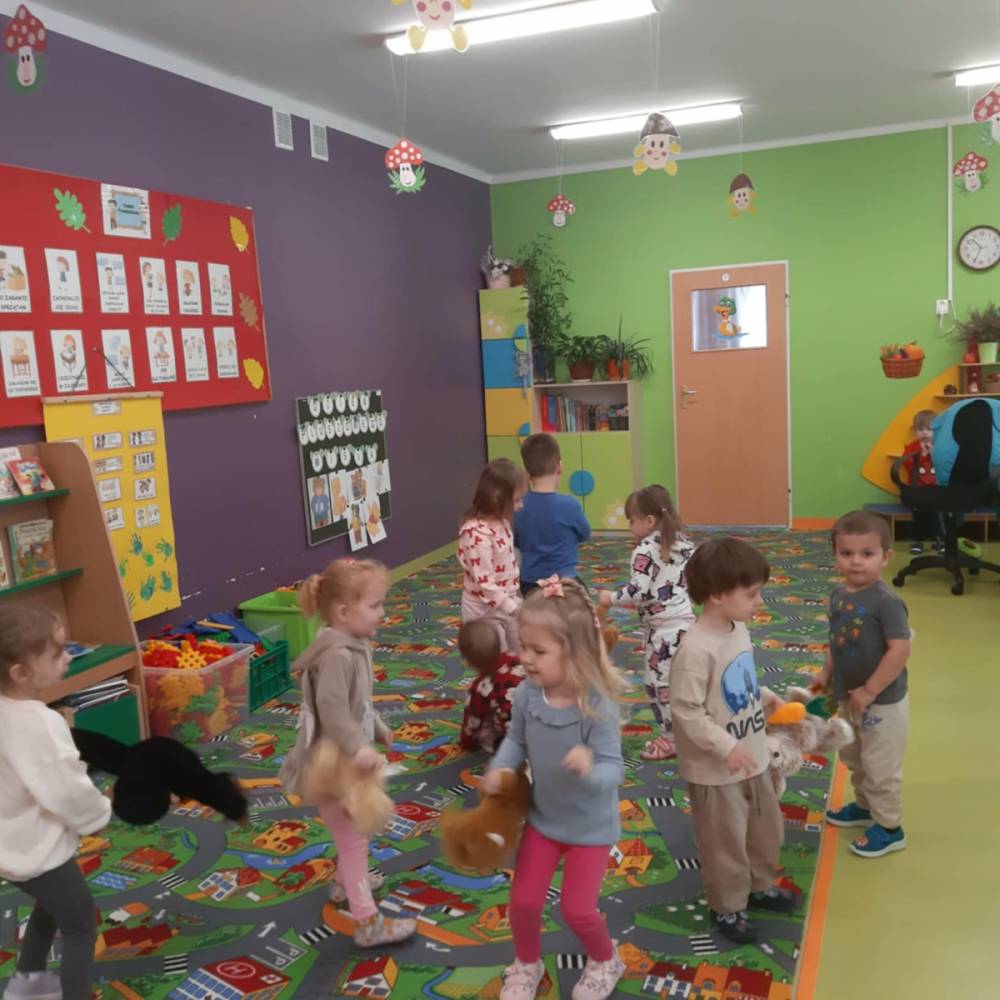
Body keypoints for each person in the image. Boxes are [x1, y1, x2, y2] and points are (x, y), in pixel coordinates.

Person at [483, 578, 626, 1000]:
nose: (525, 658)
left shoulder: (596, 704)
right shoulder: (528, 695)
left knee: (577, 909)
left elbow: (615, 771)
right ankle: (527, 963)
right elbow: (516, 741)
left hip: (590, 828)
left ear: (575, 652)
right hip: (544, 820)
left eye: (539, 651)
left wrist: (589, 768)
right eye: (523, 647)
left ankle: (606, 959)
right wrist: (501, 768)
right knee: (523, 902)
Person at [278, 559, 416, 947]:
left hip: (340, 757)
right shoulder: (338, 655)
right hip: (332, 765)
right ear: (343, 611)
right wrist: (358, 748)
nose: (382, 613)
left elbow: (357, 704)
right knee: (354, 839)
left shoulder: (352, 644)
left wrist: (377, 727)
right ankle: (367, 922)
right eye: (374, 605)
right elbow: (334, 709)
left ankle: (342, 884)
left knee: (350, 834)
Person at [670, 537, 796, 944]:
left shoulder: (737, 628)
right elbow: (687, 712)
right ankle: (728, 906)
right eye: (751, 593)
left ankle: (759, 885)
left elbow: (738, 681)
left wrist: (763, 695)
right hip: (716, 769)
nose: (759, 601)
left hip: (752, 755)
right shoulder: (695, 651)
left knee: (764, 828)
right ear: (718, 595)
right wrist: (726, 746)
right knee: (724, 842)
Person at [0, 606, 111, 1000]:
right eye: (57, 652)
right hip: (38, 852)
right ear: (21, 673)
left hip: (11, 845)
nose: (68, 657)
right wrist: (100, 814)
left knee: (49, 910)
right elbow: (67, 790)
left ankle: (28, 986)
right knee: (80, 923)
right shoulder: (40, 724)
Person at [814, 510, 910, 858]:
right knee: (854, 755)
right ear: (836, 555)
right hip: (848, 695)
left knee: (880, 764)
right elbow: (837, 640)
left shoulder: (887, 602)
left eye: (867, 554)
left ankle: (890, 828)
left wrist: (870, 691)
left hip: (882, 701)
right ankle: (867, 806)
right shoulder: (839, 595)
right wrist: (826, 672)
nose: (856, 561)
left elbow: (900, 650)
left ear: (885, 557)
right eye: (847, 553)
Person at [598, 485, 695, 761]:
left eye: (632, 520)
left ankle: (670, 739)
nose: (629, 527)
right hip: (687, 624)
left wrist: (609, 597)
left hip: (662, 632)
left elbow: (637, 591)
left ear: (649, 520)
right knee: (685, 681)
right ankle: (691, 730)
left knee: (657, 685)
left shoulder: (644, 549)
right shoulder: (684, 542)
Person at [457, 459, 526, 651]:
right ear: (497, 498)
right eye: (517, 500)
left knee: (522, 645)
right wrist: (513, 608)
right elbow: (485, 583)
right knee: (496, 655)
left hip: (505, 601)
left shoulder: (501, 522)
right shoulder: (475, 535)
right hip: (481, 610)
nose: (521, 505)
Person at [514, 434, 590, 597]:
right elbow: (585, 534)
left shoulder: (519, 506)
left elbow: (516, 542)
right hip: (565, 581)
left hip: (530, 583)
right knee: (584, 603)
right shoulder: (570, 505)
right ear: (559, 467)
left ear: (526, 474)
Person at [458, 618, 526, 753]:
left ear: (468, 662)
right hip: (543, 724)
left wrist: (467, 743)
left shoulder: (481, 686)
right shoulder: (518, 661)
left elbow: (473, 721)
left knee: (485, 727)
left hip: (518, 741)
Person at [902, 409, 943, 554]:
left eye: (929, 429)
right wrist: (922, 455)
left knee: (936, 516)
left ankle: (938, 540)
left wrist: (932, 453)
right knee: (918, 517)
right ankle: (917, 541)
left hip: (935, 489)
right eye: (920, 430)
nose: (924, 433)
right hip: (917, 489)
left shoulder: (939, 446)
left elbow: (943, 464)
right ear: (915, 431)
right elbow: (908, 465)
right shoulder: (912, 447)